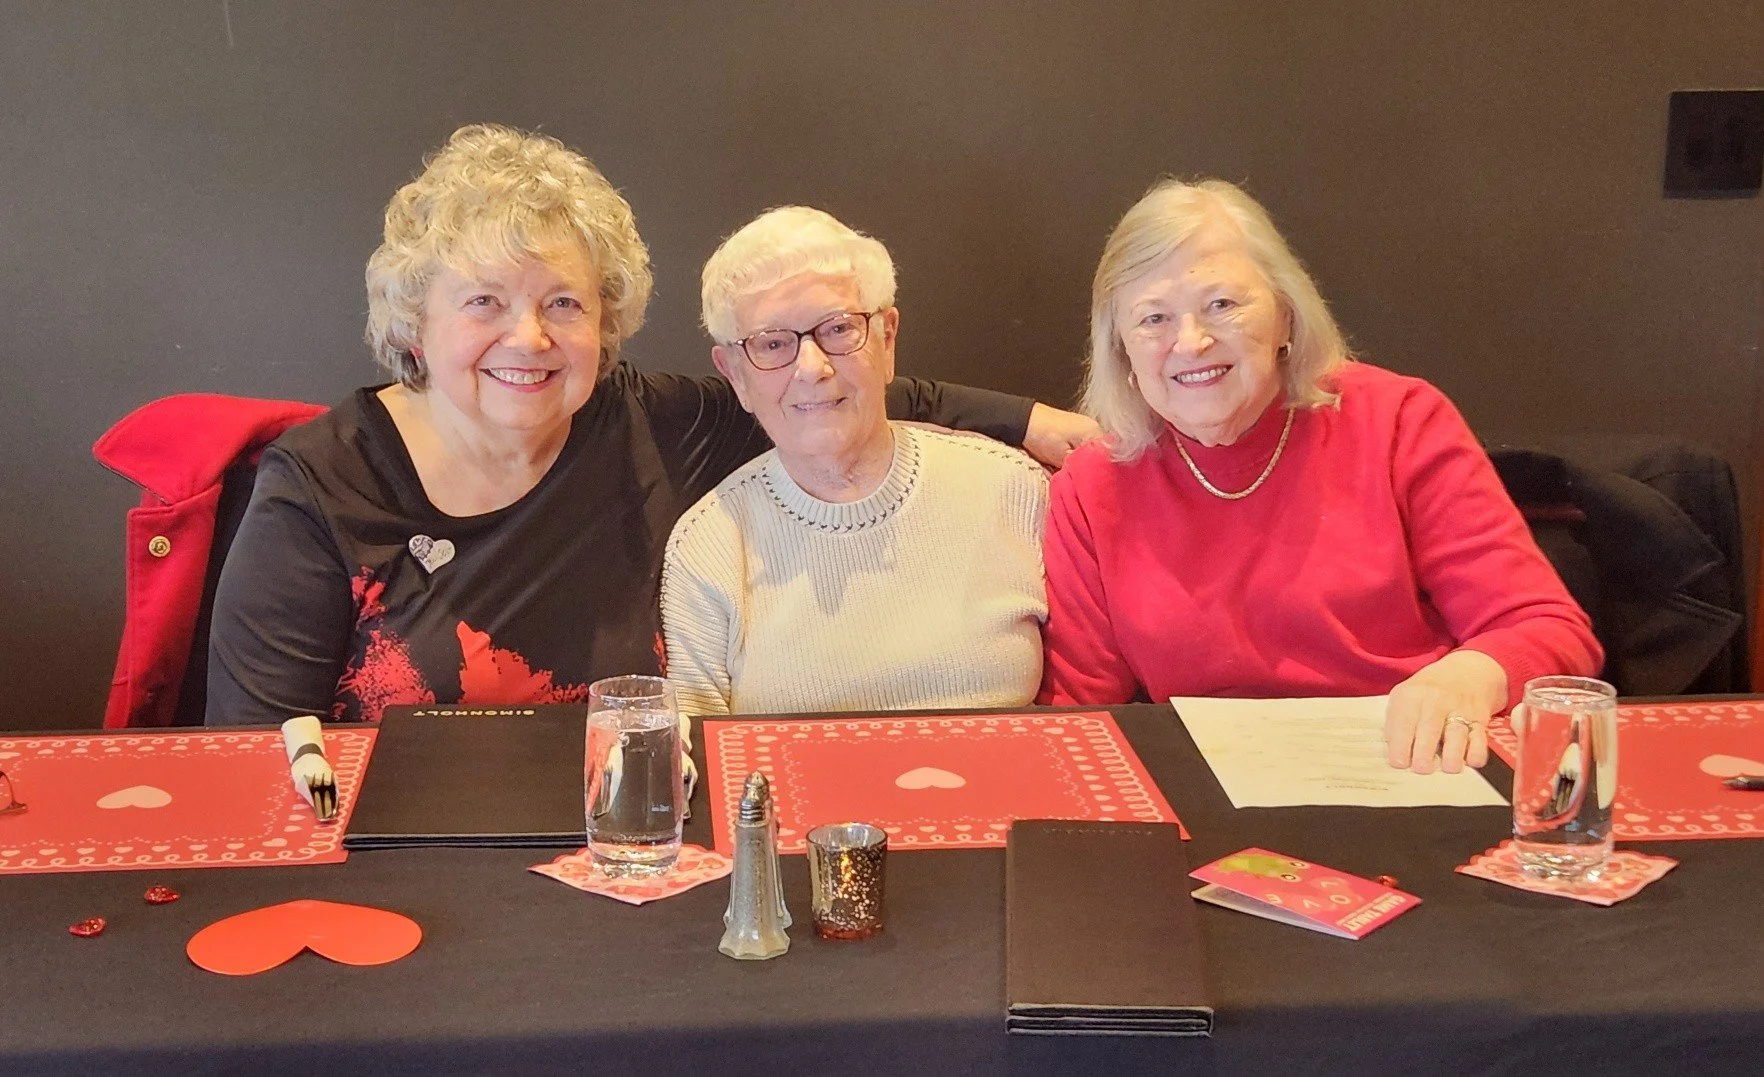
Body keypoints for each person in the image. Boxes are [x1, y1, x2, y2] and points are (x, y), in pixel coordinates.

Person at [205, 124, 1097, 726]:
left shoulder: (647, 422)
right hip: (398, 880)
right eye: (485, 301)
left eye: (564, 301)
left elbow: (826, 386)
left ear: (605, 323)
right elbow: (251, 768)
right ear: (413, 321)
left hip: (627, 860)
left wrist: (1030, 422)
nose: (531, 337)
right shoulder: (320, 488)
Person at [1038, 178, 1602, 773]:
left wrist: (1474, 673)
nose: (1192, 341)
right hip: (1207, 794)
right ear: (1121, 351)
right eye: (1153, 318)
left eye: (1222, 305)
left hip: (1407, 769)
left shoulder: (1399, 421)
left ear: (1286, 316)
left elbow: (1548, 628)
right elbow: (1078, 711)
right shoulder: (1096, 482)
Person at [661, 208, 1049, 717]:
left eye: (839, 329)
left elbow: (1088, 710)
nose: (812, 368)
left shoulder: (1016, 490)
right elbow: (694, 764)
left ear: (887, 339)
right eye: (772, 343)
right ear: (735, 373)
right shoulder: (710, 544)